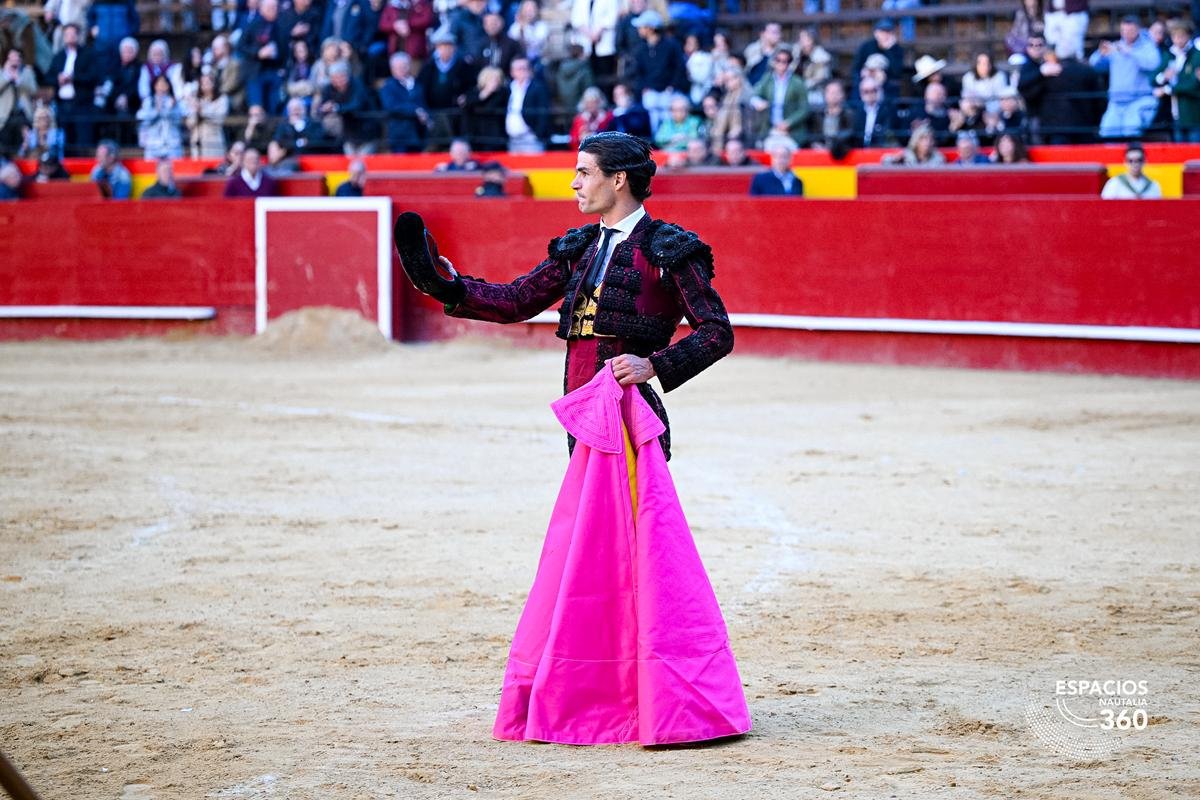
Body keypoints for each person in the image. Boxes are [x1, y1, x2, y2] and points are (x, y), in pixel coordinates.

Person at [393, 129, 749, 749]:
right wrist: (445, 286)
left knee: (634, 556)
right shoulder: (581, 247)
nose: (574, 183)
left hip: (631, 419)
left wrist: (655, 364)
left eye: (584, 172)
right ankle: (608, 688)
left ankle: (648, 696)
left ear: (619, 179)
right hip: (582, 418)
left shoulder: (669, 249)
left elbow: (717, 331)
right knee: (594, 556)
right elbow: (516, 300)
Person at [1088, 16, 1162, 139]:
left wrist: (1130, 52)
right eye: (1123, 31)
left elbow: (1154, 64)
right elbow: (1093, 64)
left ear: (1138, 30)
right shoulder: (1115, 47)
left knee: (1131, 134)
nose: (1126, 34)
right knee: (1106, 135)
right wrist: (1100, 54)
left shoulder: (1147, 46)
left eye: (1130, 31)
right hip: (1115, 102)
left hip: (1138, 101)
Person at [626, 10, 688, 132]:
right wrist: (644, 88)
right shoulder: (640, 49)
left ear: (650, 28)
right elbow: (639, 72)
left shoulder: (671, 45)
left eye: (642, 27)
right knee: (651, 119)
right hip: (650, 92)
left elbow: (679, 68)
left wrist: (672, 86)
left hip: (668, 92)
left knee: (668, 118)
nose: (639, 30)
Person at [750, 48, 808, 145]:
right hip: (770, 129)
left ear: (789, 63)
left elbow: (804, 108)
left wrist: (789, 122)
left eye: (785, 61)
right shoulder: (768, 79)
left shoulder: (797, 82)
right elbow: (754, 95)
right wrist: (758, 102)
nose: (781, 64)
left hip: (791, 132)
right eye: (778, 60)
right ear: (774, 62)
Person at [1155, 20, 1200, 142]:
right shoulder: (1169, 54)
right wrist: (1163, 77)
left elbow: (1193, 84)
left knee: (1194, 146)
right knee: (1178, 146)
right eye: (1174, 36)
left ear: (1188, 36)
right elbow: (1154, 77)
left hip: (1193, 112)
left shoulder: (1197, 55)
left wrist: (1167, 89)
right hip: (1174, 112)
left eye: (1181, 36)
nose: (1178, 40)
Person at [380, 52, 427, 153]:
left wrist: (424, 114)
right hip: (399, 137)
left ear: (409, 66)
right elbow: (391, 106)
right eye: (397, 67)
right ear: (392, 69)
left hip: (418, 135)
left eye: (403, 66)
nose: (400, 70)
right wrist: (415, 110)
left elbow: (424, 103)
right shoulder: (388, 86)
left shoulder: (418, 84)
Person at [504, 56, 550, 153]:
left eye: (524, 68)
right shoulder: (508, 88)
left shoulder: (538, 87)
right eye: (519, 68)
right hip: (512, 139)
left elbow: (543, 113)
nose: (522, 71)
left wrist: (538, 134)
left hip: (531, 139)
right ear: (512, 72)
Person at [137, 73, 185, 159]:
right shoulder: (148, 101)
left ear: (168, 86)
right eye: (159, 84)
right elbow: (140, 117)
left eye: (164, 84)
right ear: (154, 86)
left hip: (172, 144)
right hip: (153, 144)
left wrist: (171, 109)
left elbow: (181, 117)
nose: (161, 86)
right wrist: (156, 111)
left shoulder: (175, 101)